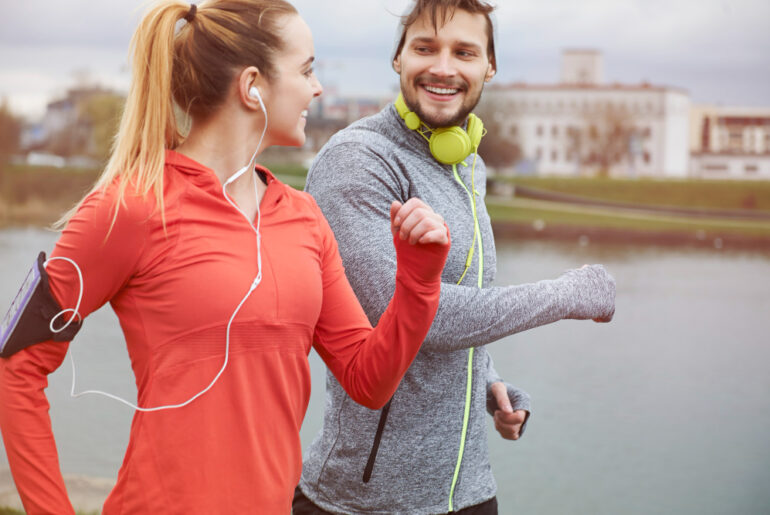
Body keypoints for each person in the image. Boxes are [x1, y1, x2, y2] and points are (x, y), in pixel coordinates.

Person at [0, 1, 451, 513]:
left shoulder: (304, 217)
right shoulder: (131, 207)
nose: (317, 88)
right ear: (252, 85)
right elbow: (16, 364)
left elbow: (368, 380)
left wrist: (418, 280)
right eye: (306, 70)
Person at [294, 0, 616, 513]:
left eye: (464, 52)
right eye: (425, 48)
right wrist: (567, 295)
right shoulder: (357, 161)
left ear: (488, 66)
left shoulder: (468, 165)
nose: (443, 67)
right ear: (398, 58)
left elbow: (466, 306)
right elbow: (420, 318)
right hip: (363, 501)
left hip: (469, 494)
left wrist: (489, 384)